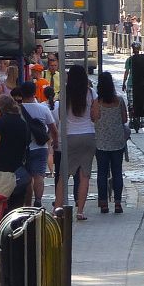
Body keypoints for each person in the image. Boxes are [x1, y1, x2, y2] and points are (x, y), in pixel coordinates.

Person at [54, 64, 99, 220]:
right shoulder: (92, 93)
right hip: (88, 136)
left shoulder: (65, 94)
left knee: (63, 175)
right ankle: (80, 211)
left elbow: (61, 117)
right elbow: (95, 117)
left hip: (70, 137)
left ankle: (58, 209)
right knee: (85, 175)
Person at [18, 81, 58, 208]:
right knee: (39, 175)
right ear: (34, 92)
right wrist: (54, 142)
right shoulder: (43, 109)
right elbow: (53, 129)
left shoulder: (17, 109)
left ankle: (28, 202)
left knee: (27, 177)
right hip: (40, 147)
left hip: (23, 148)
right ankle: (38, 200)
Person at [94, 72, 128, 214]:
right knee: (117, 172)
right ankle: (118, 203)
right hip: (117, 142)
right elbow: (125, 119)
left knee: (101, 173)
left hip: (101, 142)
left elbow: (93, 118)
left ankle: (103, 203)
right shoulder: (119, 100)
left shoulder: (97, 102)